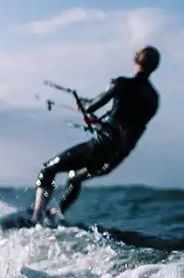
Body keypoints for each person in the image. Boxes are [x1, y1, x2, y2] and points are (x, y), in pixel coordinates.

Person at [30, 45, 161, 224]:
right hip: (116, 157)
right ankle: (55, 215)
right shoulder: (154, 98)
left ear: (136, 61)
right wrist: (98, 120)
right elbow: (128, 124)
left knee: (48, 169)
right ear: (155, 67)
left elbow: (91, 108)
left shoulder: (120, 84)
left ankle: (35, 218)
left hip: (102, 145)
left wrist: (85, 107)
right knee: (75, 178)